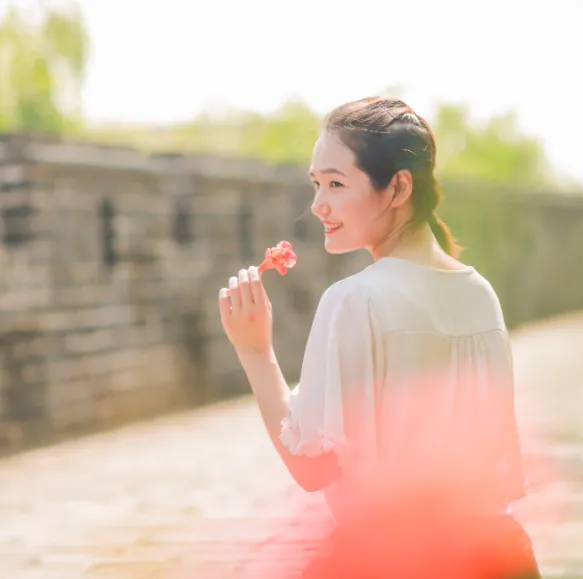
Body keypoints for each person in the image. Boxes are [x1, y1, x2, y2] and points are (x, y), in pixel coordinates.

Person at [217, 96, 541, 578]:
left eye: (336, 183)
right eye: (316, 184)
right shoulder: (480, 293)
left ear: (398, 187)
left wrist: (254, 351)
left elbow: (313, 469)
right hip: (500, 556)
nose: (318, 203)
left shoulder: (356, 300)